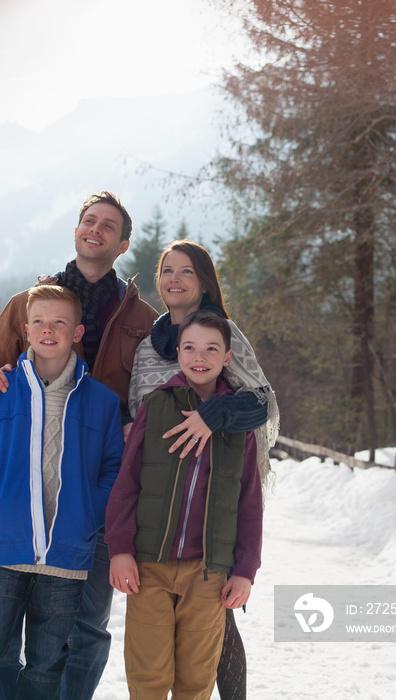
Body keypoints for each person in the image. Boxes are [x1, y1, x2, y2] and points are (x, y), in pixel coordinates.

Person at [0, 191, 159, 700]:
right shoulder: (30, 303)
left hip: (94, 495)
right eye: (88, 221)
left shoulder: (142, 320)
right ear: (75, 231)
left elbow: (165, 385)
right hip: (21, 500)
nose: (96, 229)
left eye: (108, 225)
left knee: (86, 624)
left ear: (123, 243)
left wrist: (141, 425)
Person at [126, 239, 279, 700]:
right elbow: (136, 409)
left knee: (217, 625)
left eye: (186, 271)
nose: (174, 278)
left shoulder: (223, 334)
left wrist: (215, 416)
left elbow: (265, 403)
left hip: (218, 483)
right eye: (167, 270)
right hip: (162, 495)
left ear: (204, 281)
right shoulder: (150, 346)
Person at [105, 310, 263, 700]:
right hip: (150, 568)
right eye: (190, 347)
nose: (200, 356)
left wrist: (245, 569)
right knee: (148, 675)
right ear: (177, 353)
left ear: (227, 357)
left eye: (211, 349)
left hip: (208, 573)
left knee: (196, 679)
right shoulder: (156, 406)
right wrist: (120, 550)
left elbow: (249, 502)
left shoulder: (238, 420)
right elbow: (126, 483)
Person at [0, 285, 124, 700]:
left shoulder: (102, 402)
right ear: (25, 330)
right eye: (39, 322)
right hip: (4, 549)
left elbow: (114, 468)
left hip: (66, 557)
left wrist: (89, 516)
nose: (48, 330)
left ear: (76, 332)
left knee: (47, 665)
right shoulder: (4, 391)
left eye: (59, 323)